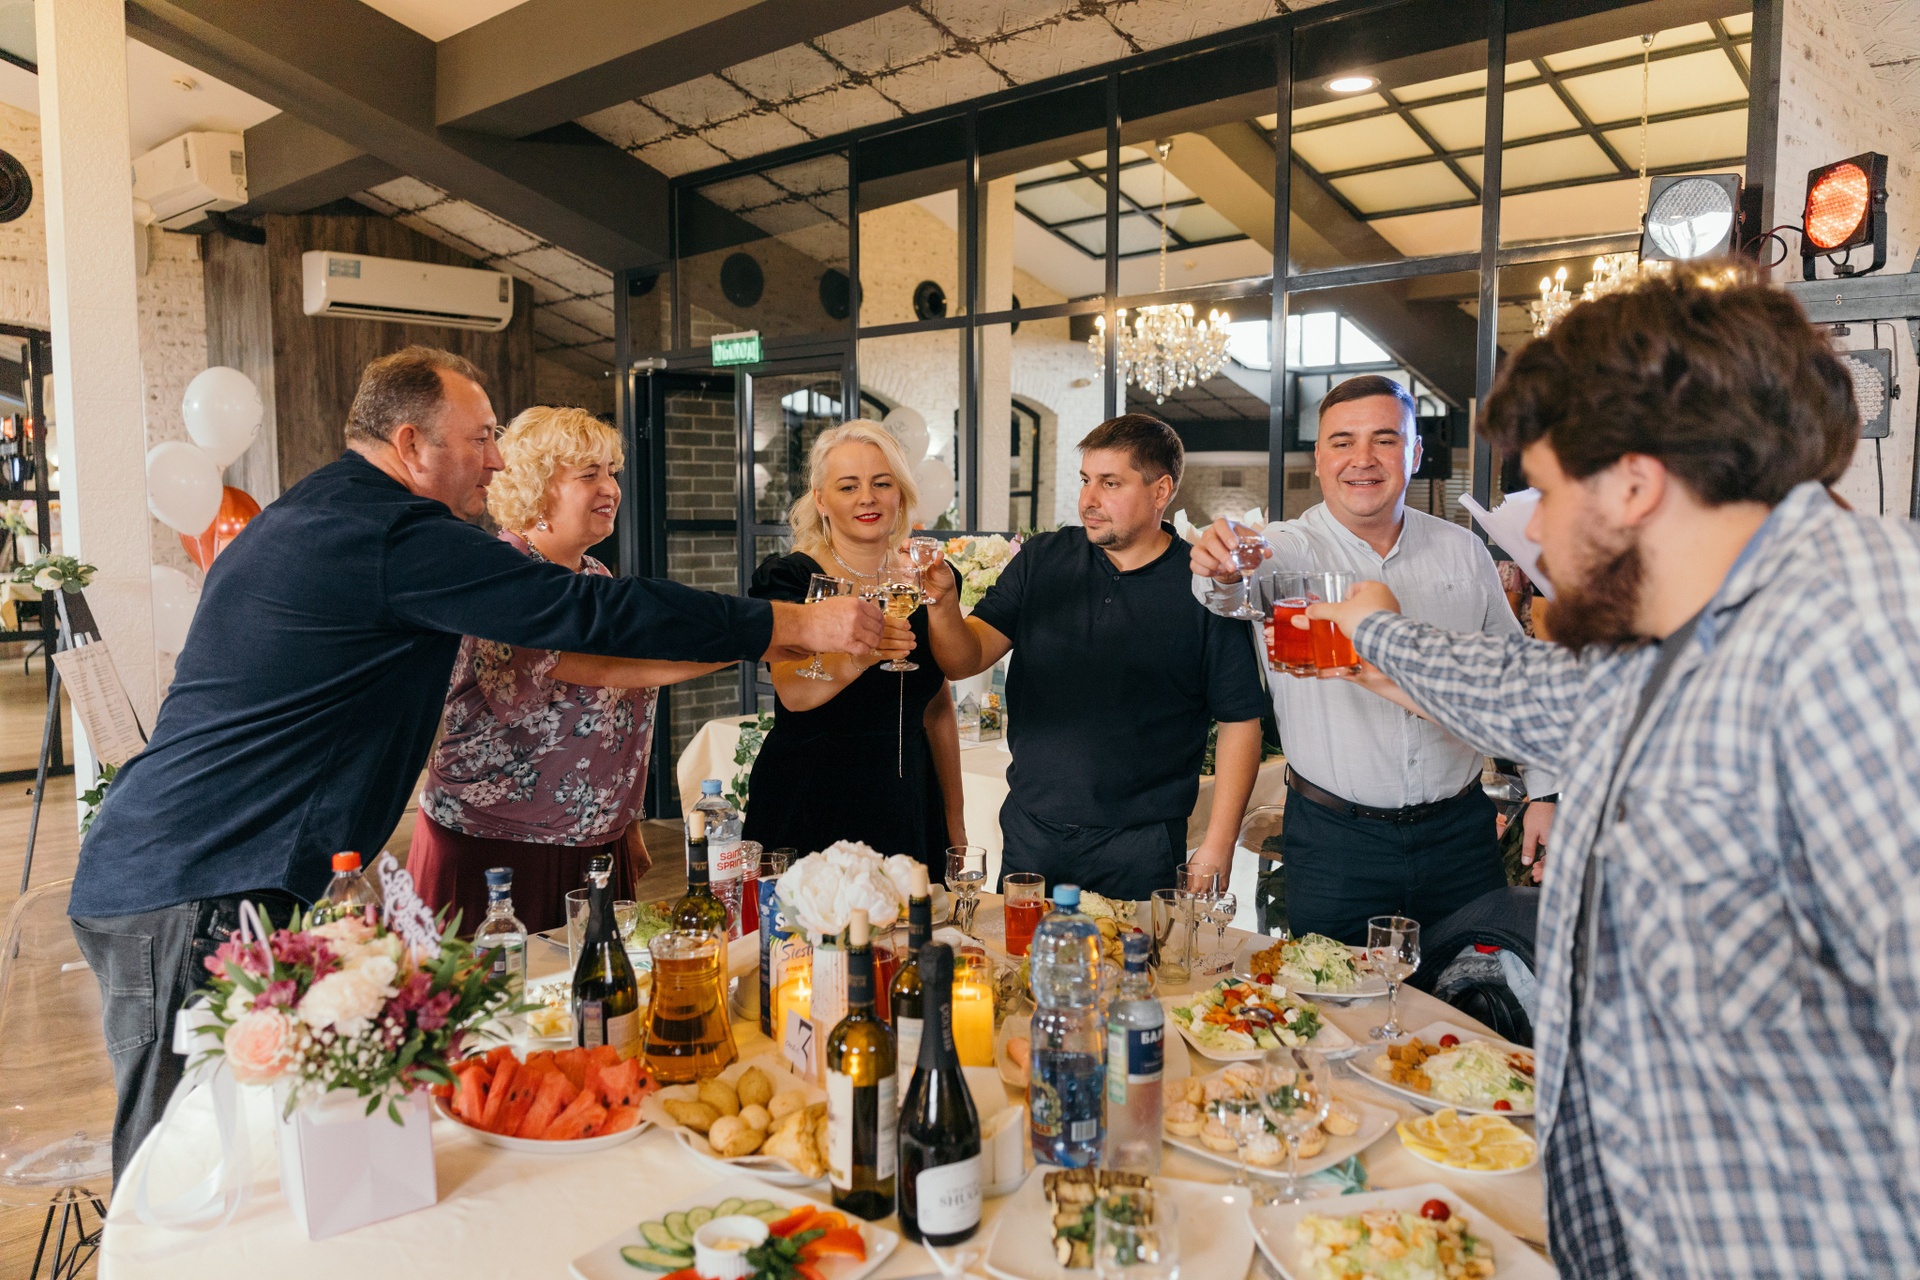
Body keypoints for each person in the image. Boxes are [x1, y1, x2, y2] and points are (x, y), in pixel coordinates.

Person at [69, 346, 881, 1180]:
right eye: (482, 436)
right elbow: (587, 617)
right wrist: (794, 624)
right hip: (194, 886)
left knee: (246, 1147)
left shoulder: (332, 511)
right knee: (183, 1162)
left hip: (211, 872)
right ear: (412, 444)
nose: (496, 459)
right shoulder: (391, 535)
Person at [1306, 267, 1920, 1278]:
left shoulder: (1859, 637)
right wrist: (1379, 634)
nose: (1537, 534)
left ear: (1634, 484)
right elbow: (1531, 690)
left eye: (1546, 494)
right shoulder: (1689, 638)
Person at [1189, 374, 1557, 944]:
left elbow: (1516, 679)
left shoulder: (1463, 551)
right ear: (1318, 458)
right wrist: (1222, 562)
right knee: (1332, 994)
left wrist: (1547, 792)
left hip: (1461, 836)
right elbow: (1229, 586)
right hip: (1335, 843)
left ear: (1415, 453)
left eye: (1385, 440)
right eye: (1342, 442)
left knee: (1474, 988)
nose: (1362, 458)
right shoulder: (1289, 547)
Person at [408, 406, 734, 935]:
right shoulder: (502, 576)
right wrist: (751, 640)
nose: (611, 488)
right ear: (537, 490)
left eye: (612, 471)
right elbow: (601, 669)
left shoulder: (596, 576)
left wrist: (627, 824)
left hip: (593, 841)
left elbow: (620, 724)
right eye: (589, 474)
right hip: (495, 844)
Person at [923, 414, 1266, 900]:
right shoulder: (1042, 558)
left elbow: (1240, 722)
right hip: (1031, 833)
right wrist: (942, 603)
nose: (1088, 499)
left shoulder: (1205, 586)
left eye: (1110, 483)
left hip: (1141, 846)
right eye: (1085, 480)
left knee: (1135, 956)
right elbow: (965, 659)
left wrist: (1219, 844)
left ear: (1161, 490)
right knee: (1014, 952)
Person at [743, 421, 965, 871]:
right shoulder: (790, 578)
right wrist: (863, 655)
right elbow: (794, 691)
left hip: (906, 797)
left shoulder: (928, 580)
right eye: (848, 486)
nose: (868, 497)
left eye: (882, 483)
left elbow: (938, 707)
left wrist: (954, 819)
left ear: (899, 494)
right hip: (811, 797)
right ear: (821, 500)